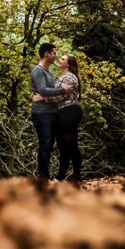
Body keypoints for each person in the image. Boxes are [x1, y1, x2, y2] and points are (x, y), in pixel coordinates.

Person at [34, 54, 82, 182]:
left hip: (70, 110)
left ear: (68, 64)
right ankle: (60, 177)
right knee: (62, 145)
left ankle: (77, 174)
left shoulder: (70, 77)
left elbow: (61, 96)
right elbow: (60, 92)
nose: (59, 60)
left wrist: (43, 98)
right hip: (62, 112)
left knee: (70, 143)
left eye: (62, 59)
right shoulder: (61, 77)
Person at [30, 43, 71, 181]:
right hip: (41, 113)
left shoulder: (50, 73)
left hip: (53, 113)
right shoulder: (38, 71)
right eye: (54, 53)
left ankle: (53, 177)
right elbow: (43, 90)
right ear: (46, 54)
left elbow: (50, 94)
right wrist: (63, 89)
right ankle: (43, 177)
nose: (56, 56)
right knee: (46, 143)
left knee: (52, 145)